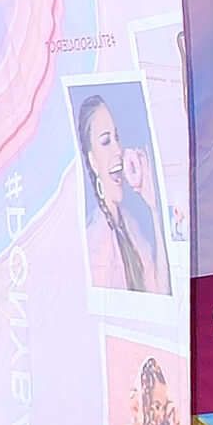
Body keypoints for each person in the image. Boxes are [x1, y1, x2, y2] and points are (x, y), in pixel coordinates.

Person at [74, 91, 168, 295]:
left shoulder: (129, 224)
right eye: (106, 141)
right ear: (92, 161)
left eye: (117, 138)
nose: (117, 149)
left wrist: (154, 208)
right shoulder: (95, 241)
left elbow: (160, 290)